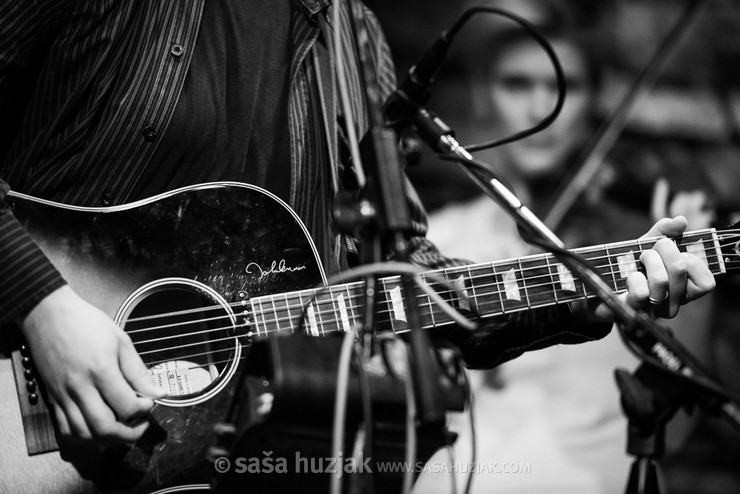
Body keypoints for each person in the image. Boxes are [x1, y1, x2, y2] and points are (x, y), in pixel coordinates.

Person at [0, 0, 715, 491]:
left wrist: (585, 285)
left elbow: (403, 275)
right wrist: (43, 306)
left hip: (239, 463)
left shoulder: (352, 35)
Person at [415, 2, 720, 493]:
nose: (541, 109)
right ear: (482, 95)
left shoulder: (634, 246)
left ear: (595, 101)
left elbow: (677, 431)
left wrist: (689, 294)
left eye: (565, 87)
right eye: (517, 83)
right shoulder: (439, 237)